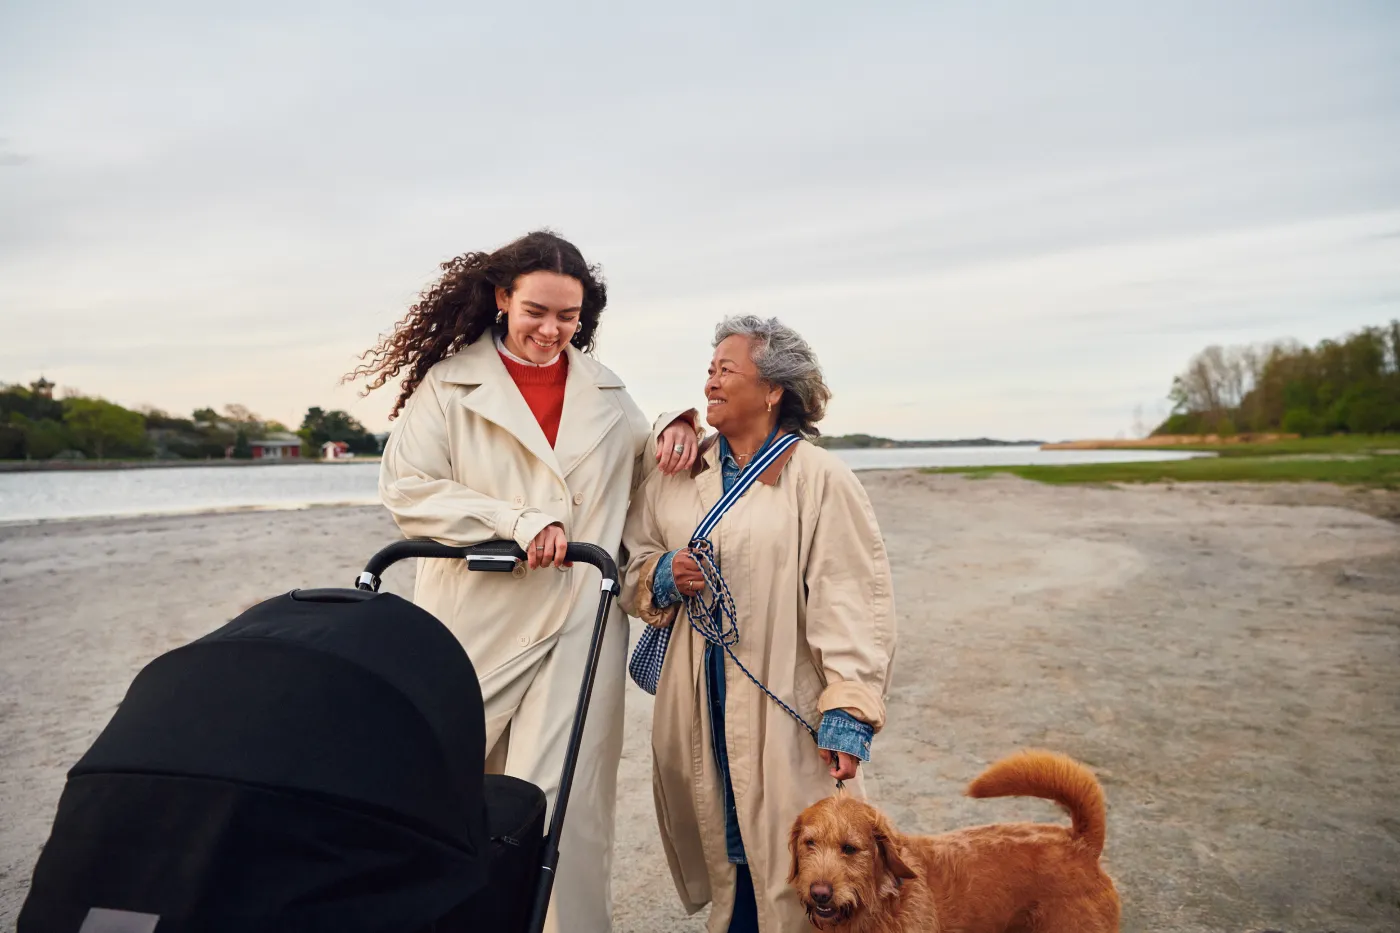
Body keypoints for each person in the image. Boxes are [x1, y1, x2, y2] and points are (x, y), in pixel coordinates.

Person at [351, 230, 698, 933]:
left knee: (564, 806)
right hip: (470, 622)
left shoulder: (606, 389)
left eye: (568, 317)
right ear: (503, 298)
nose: (552, 330)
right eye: (537, 310)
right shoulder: (448, 387)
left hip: (578, 624)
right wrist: (513, 518)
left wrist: (674, 423)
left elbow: (636, 468)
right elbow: (407, 488)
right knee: (441, 792)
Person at [620, 315, 896, 932]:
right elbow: (631, 559)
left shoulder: (821, 479)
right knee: (725, 847)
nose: (710, 382)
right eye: (710, 369)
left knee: (795, 859)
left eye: (727, 369)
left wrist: (848, 710)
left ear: (773, 391)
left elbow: (850, 599)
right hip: (696, 692)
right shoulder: (677, 475)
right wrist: (665, 573)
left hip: (783, 700)